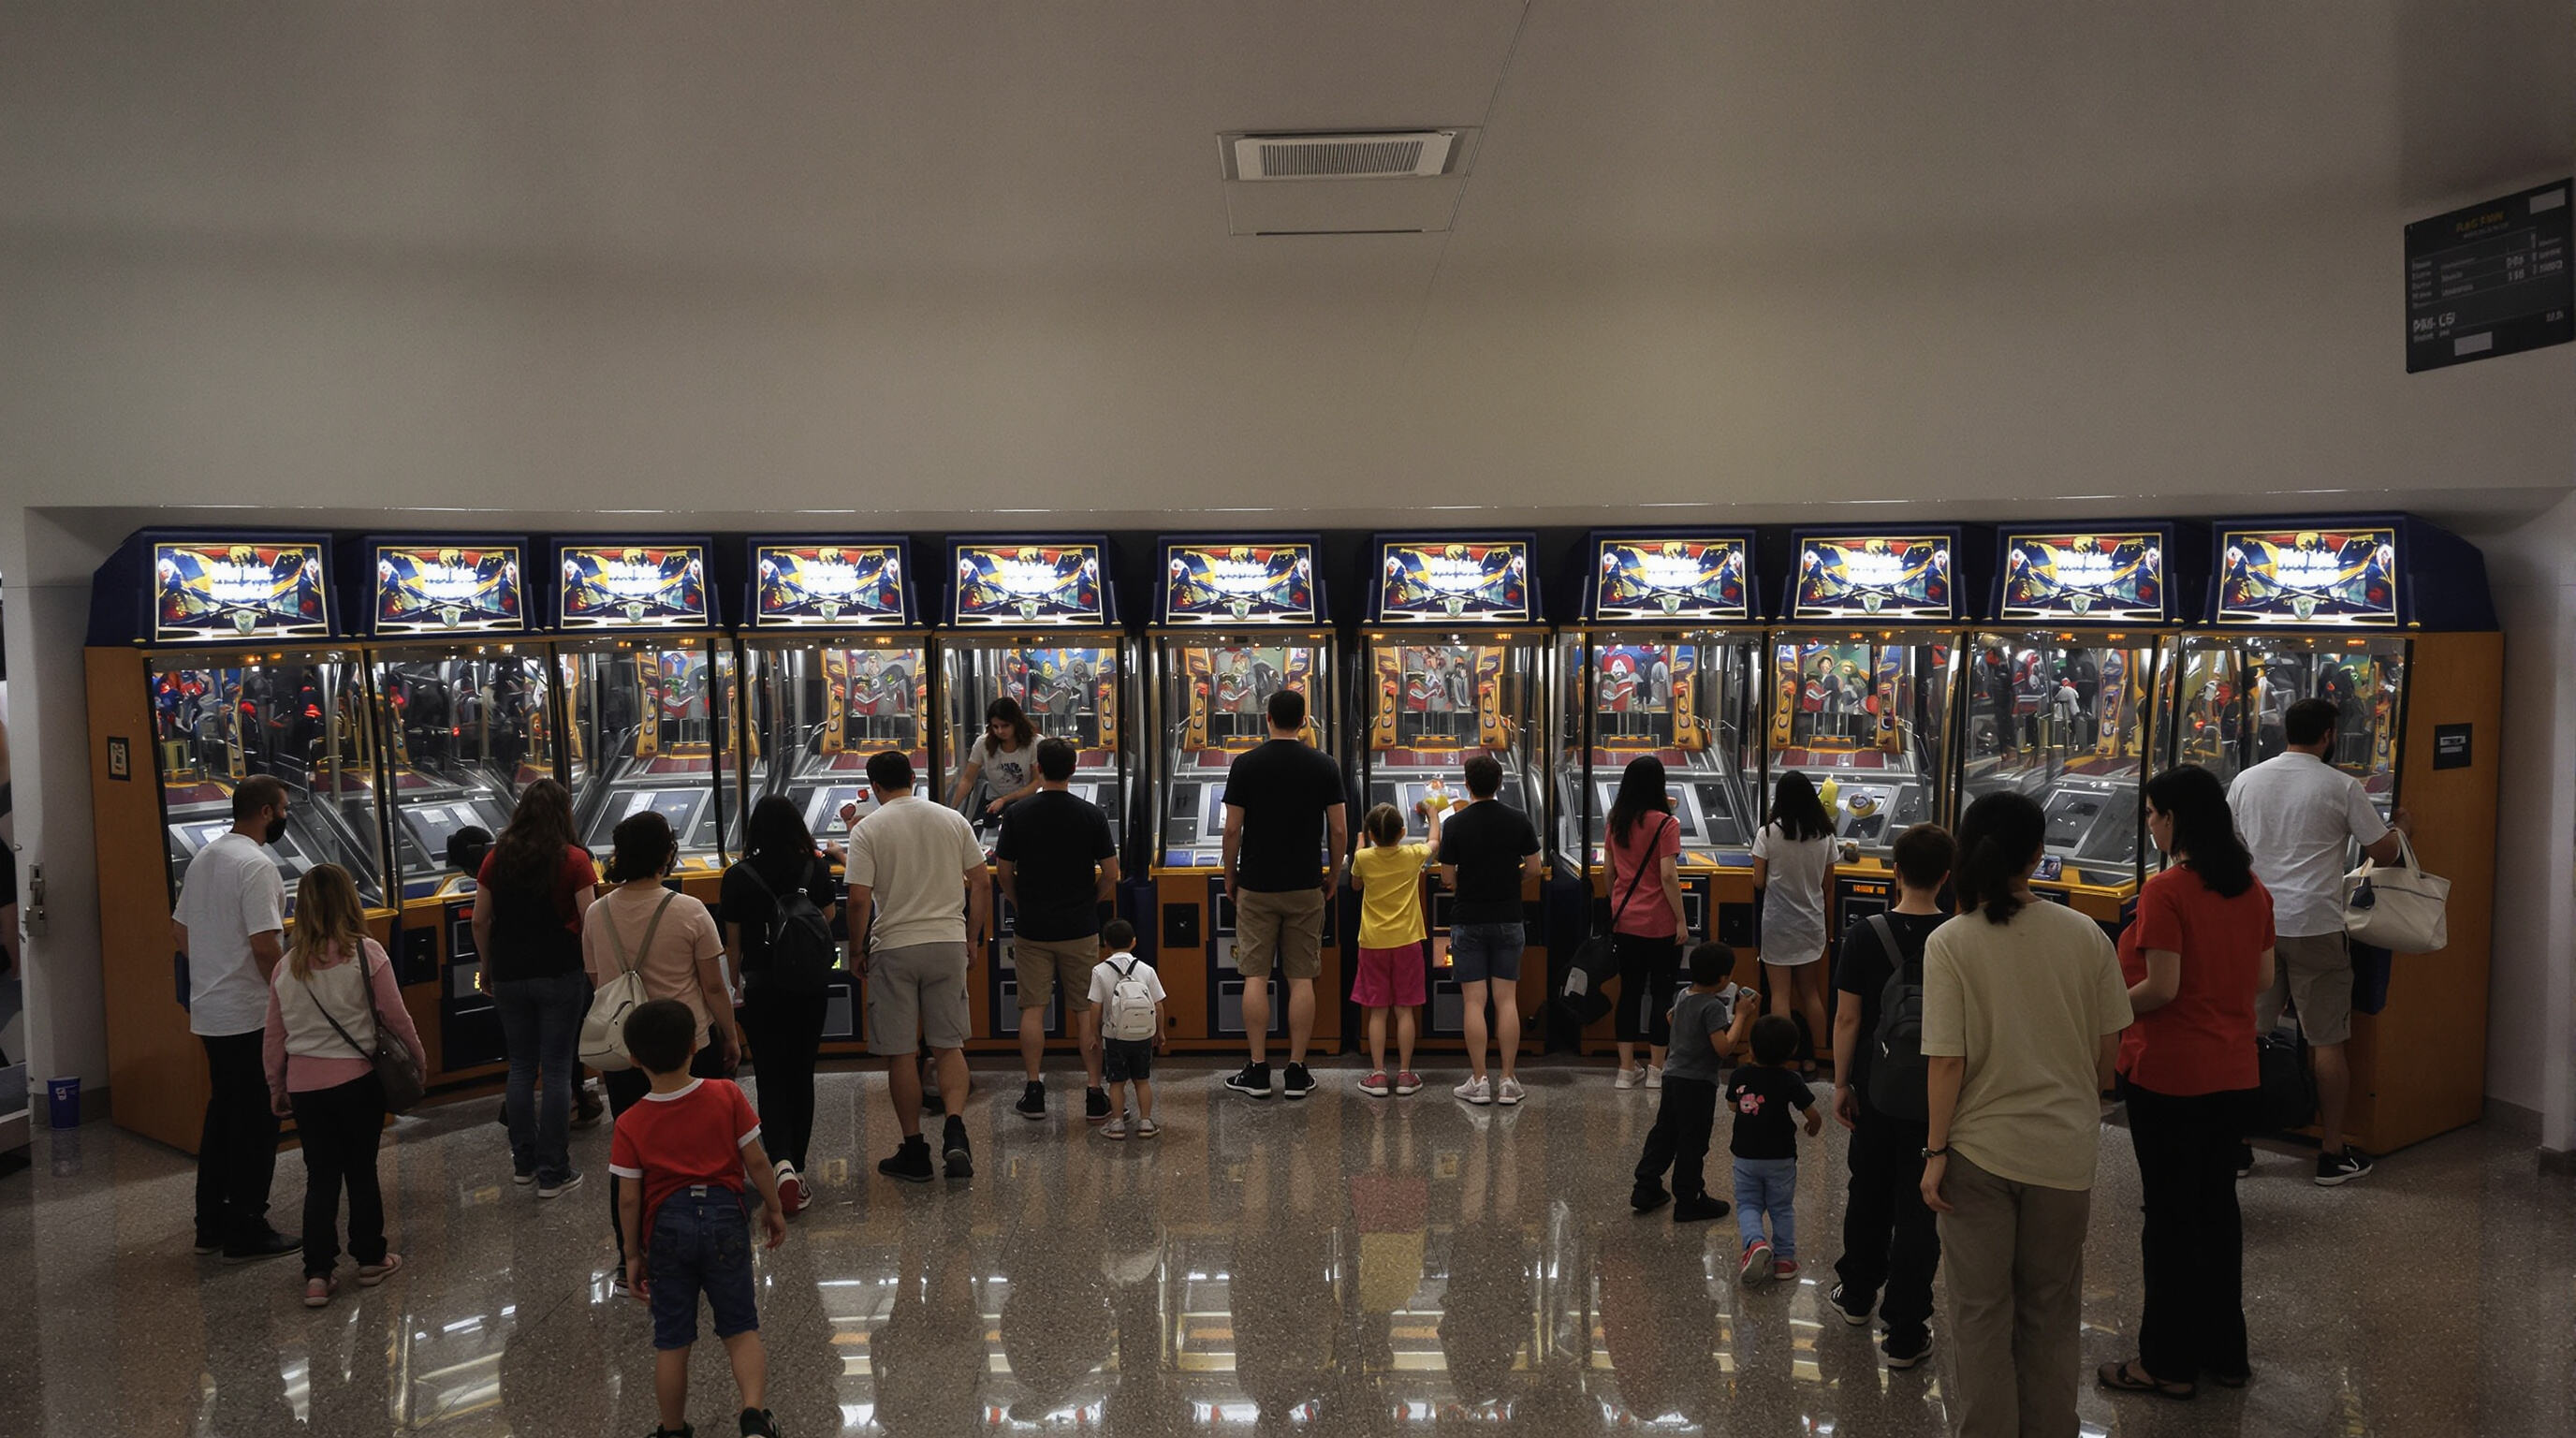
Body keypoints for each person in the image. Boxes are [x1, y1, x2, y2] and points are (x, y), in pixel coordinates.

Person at [1919, 791, 2132, 1438]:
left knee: (1981, 1314)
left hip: (1978, 1155)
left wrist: (1934, 1154)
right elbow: (2107, 1059)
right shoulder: (2087, 935)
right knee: (2050, 1310)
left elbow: (1947, 1063)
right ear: (2039, 856)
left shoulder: (1950, 942)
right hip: (2065, 1154)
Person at [2100, 765, 2275, 1400]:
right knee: (2217, 1213)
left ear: (2175, 819)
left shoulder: (2167, 891)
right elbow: (2259, 982)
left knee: (2169, 1220)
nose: (2148, 823)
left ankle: (2166, 1363)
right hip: (2233, 1071)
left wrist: (2107, 1011)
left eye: (2152, 813)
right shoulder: (2251, 889)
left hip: (2170, 1074)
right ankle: (2225, 1353)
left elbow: (2163, 987)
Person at [2228, 696, 2409, 1184]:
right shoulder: (2341, 786)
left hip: (2260, 925)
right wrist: (2400, 829)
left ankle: (2239, 1147)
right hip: (2317, 924)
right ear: (2328, 735)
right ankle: (2332, 1153)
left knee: (2250, 1037)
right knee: (2328, 1040)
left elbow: (2232, 846)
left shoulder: (2247, 780)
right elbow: (2383, 853)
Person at [608, 999, 788, 1438]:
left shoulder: (630, 1122)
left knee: (672, 1340)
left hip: (667, 1230)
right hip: (726, 1218)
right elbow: (758, 1162)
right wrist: (774, 1207)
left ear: (633, 1060)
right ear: (694, 1045)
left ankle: (672, 1430)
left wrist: (632, 1254)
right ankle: (753, 1416)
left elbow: (628, 1200)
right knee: (741, 1328)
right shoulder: (726, 1094)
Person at [261, 862, 427, 1307]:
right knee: (361, 1170)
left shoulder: (285, 968)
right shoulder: (367, 954)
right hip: (358, 1082)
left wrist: (276, 1085)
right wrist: (418, 1058)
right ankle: (371, 1258)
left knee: (320, 1177)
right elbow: (396, 1017)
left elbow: (274, 1037)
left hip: (306, 1089)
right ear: (350, 902)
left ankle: (317, 1274)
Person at [585, 810, 741, 1279]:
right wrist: (730, 1037)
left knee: (632, 1150)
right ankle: (706, 1238)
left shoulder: (597, 913)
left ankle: (632, 1250)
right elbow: (714, 987)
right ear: (667, 855)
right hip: (689, 1045)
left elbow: (597, 982)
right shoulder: (689, 910)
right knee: (702, 1144)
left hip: (625, 1048)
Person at [1826, 822, 1954, 1369]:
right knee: (1919, 1208)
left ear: (1894, 872)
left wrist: (1840, 1083)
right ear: (1946, 877)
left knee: (1868, 1191)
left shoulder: (1863, 935)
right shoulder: (1959, 937)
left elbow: (1848, 1017)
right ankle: (1906, 1328)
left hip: (1875, 1090)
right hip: (1938, 1100)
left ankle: (1856, 1296)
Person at [849, 748, 992, 1181]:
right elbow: (982, 882)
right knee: (949, 1045)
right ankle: (954, 1130)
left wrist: (857, 950)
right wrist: (972, 938)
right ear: (913, 778)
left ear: (875, 787)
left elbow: (858, 900)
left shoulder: (868, 828)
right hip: (947, 942)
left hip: (895, 945)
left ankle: (914, 1149)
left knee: (901, 1053)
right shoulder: (952, 820)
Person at [171, 773, 298, 1262]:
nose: (285, 816)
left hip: (211, 1011)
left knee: (222, 1115)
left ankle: (211, 1222)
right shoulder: (258, 865)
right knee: (257, 1120)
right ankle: (248, 1225)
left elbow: (179, 930)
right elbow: (266, 946)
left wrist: (213, 968)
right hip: (249, 1013)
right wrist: (289, 997)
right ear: (266, 812)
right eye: (283, 808)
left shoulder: (206, 856)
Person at [474, 778, 601, 1198]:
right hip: (560, 971)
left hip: (509, 972)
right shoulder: (576, 859)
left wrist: (488, 967)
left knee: (522, 1067)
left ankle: (523, 1164)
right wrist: (591, 967)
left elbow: (480, 920)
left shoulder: (496, 859)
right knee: (559, 1068)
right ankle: (554, 1171)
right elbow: (589, 919)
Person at [1219, 688, 1347, 1100]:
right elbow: (1340, 829)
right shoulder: (1324, 765)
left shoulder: (1245, 764)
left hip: (1256, 885)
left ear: (1268, 718)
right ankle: (1296, 1070)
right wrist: (1334, 873)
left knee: (1255, 976)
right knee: (1302, 978)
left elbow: (1232, 829)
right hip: (1306, 885)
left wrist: (1230, 874)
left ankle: (1257, 1070)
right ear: (1305, 721)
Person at [723, 794, 839, 1216]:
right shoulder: (816, 867)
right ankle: (801, 1171)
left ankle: (781, 1165)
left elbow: (732, 946)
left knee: (769, 1076)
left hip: (762, 988)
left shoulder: (737, 875)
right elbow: (826, 920)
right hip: (808, 986)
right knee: (801, 1073)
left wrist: (733, 992)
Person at [994, 736, 1120, 1124]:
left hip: (1033, 929)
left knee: (1032, 1009)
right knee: (1086, 1012)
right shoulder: (1090, 815)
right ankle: (1095, 1092)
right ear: (1074, 769)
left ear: (1038, 769)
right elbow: (1112, 873)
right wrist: (1090, 901)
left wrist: (1020, 903)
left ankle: (1034, 1090)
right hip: (1079, 928)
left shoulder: (1018, 814)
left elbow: (1003, 871)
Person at [1439, 752, 1543, 1106]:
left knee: (1474, 1001)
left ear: (1467, 785)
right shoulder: (1518, 819)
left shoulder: (1454, 824)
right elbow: (1534, 867)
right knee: (1506, 1000)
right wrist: (1510, 877)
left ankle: (1480, 1080)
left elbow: (1448, 877)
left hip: (1468, 919)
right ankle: (1509, 1081)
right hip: (1509, 918)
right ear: (1500, 783)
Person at [1631, 942, 1753, 1223]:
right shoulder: (1712, 1007)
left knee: (1664, 1134)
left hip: (1672, 1077)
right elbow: (1723, 1048)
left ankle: (1646, 1187)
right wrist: (1742, 1016)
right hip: (1697, 1084)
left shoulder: (1683, 995)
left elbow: (1671, 1017)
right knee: (1692, 1141)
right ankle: (1689, 1199)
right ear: (1723, 979)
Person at [1603, 755, 1688, 1089]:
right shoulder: (1667, 824)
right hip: (1660, 924)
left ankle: (1626, 1070)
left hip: (1626, 923)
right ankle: (1656, 1070)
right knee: (1662, 994)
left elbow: (1609, 872)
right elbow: (1669, 875)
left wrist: (1617, 904)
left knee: (1630, 994)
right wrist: (1681, 921)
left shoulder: (1616, 822)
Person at [1350, 797, 1442, 1096]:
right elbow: (1434, 843)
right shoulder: (1412, 855)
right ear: (1402, 833)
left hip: (1373, 942)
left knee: (1377, 1012)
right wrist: (1432, 814)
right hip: (1407, 941)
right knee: (1404, 1011)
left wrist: (1360, 846)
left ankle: (1378, 1075)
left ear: (1372, 835)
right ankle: (1404, 1074)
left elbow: (1355, 885)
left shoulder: (1363, 858)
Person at [1750, 770, 1837, 1075]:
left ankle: (1779, 1060)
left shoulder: (1768, 834)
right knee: (1810, 993)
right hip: (1812, 923)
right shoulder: (1825, 835)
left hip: (1777, 924)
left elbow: (1759, 881)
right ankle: (1821, 1054)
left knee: (1781, 995)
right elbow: (1827, 886)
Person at [1728, 1015, 1822, 1284]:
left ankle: (1755, 1243)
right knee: (1781, 1207)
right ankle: (1784, 1260)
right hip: (1781, 1156)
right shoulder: (1791, 1079)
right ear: (1792, 1051)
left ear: (1751, 1049)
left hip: (1745, 1155)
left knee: (1748, 1203)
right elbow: (1813, 1114)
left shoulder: (1740, 1075)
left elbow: (1733, 1106)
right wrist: (1813, 1127)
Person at [1089, 918, 1166, 1138]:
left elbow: (1095, 1006)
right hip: (1142, 1036)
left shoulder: (1099, 971)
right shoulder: (1146, 969)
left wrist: (1095, 1033)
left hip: (1114, 1037)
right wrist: (1159, 1032)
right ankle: (1146, 1123)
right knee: (1142, 1080)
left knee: (1116, 1082)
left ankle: (1116, 1124)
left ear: (1106, 944)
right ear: (1134, 942)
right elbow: (1158, 1003)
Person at [948, 696, 1041, 823]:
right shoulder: (983, 743)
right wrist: (951, 809)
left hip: (1025, 803)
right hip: (993, 803)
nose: (1000, 731)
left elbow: (1037, 782)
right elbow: (968, 779)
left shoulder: (1034, 743)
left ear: (1016, 723)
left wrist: (1005, 799)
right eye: (995, 726)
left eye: (1005, 726)